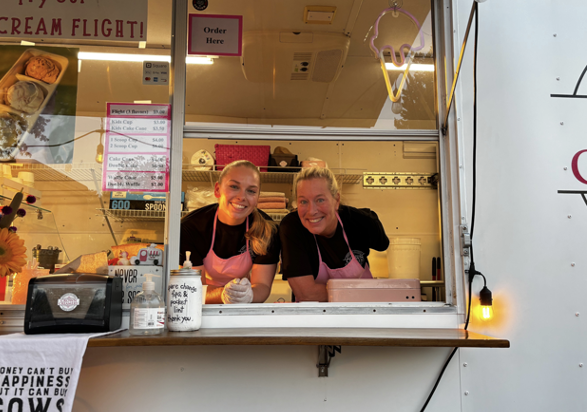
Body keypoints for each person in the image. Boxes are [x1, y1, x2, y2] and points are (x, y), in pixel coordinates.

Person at [279, 167, 389, 302]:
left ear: (336, 200)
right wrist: (363, 292)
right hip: (315, 316)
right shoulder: (292, 227)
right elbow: (307, 294)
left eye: (320, 200)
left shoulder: (361, 222)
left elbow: (383, 245)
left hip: (362, 314)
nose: (311, 211)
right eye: (303, 201)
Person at [180, 160, 280, 304]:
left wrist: (248, 295)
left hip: (241, 306)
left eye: (251, 191)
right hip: (201, 305)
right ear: (217, 190)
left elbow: (262, 286)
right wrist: (224, 294)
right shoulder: (191, 228)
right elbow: (193, 290)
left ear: (257, 197)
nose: (242, 197)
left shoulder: (267, 230)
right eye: (234, 187)